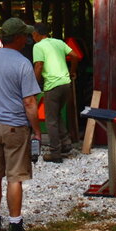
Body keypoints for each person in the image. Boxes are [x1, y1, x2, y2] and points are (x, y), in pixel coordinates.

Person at [0, 17, 42, 231]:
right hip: (14, 126)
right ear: (18, 38)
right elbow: (29, 102)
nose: (27, 39)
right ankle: (15, 226)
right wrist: (37, 130)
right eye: (25, 35)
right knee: (15, 177)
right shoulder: (22, 63)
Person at [31, 23, 79, 163]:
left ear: (37, 34)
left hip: (52, 86)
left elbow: (39, 66)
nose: (32, 36)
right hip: (66, 84)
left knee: (50, 120)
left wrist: (33, 85)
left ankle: (55, 153)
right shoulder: (58, 42)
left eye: (33, 33)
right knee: (56, 115)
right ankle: (66, 143)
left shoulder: (38, 46)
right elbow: (75, 56)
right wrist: (72, 71)